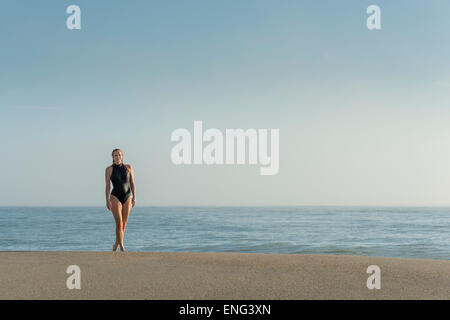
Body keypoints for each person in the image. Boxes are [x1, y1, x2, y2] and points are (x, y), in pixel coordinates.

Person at [105, 148, 136, 251]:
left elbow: (132, 183)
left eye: (119, 155)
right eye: (115, 155)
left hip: (127, 196)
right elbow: (108, 187)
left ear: (122, 156)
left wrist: (134, 197)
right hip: (115, 197)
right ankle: (122, 246)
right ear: (112, 157)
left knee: (124, 223)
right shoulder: (109, 169)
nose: (117, 157)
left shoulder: (129, 167)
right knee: (119, 222)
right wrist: (107, 200)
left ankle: (116, 245)